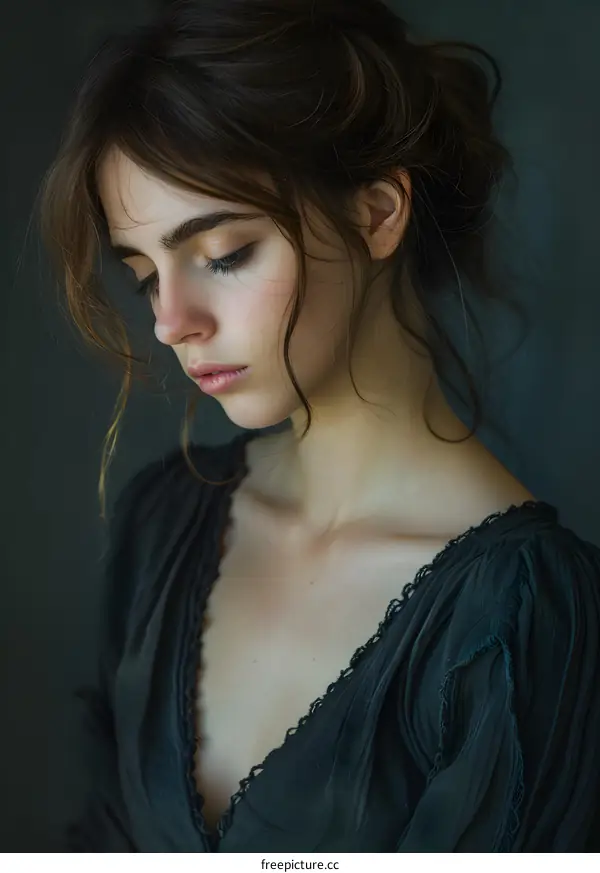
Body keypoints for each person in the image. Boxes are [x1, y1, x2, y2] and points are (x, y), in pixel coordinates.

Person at [40, 0, 600, 853]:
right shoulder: (167, 524)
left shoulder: (521, 619)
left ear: (378, 213)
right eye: (145, 273)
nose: (170, 320)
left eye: (224, 252)